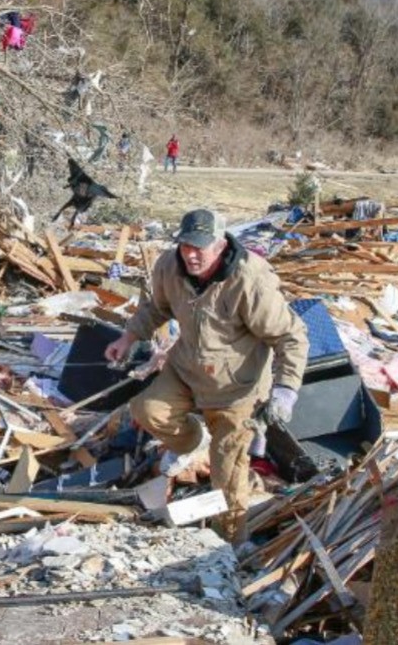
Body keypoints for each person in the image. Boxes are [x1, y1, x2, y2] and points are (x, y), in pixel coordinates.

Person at [105, 209, 309, 545]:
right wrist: (127, 338)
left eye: (199, 247)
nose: (191, 254)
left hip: (236, 388)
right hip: (186, 369)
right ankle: (192, 442)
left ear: (220, 244)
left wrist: (286, 389)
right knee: (146, 410)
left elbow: (291, 336)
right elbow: (157, 307)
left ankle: (227, 546)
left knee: (227, 474)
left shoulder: (249, 280)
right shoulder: (170, 266)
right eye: (186, 245)